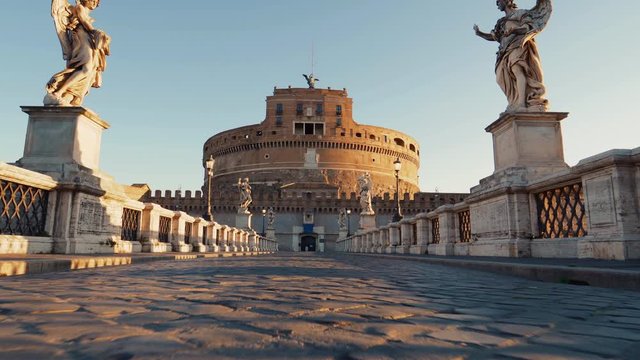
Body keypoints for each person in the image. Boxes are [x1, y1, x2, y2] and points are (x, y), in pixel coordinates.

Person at [474, 0, 552, 113]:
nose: (497, 5)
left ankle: (522, 104)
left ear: (507, 1)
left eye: (498, 2)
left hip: (518, 44)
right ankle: (514, 102)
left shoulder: (520, 13)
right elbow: (495, 37)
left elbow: (528, 28)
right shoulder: (501, 21)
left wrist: (515, 29)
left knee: (517, 70)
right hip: (504, 50)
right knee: (501, 77)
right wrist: (480, 33)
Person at [46, 0, 111, 106]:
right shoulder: (79, 8)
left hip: (88, 37)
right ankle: (58, 92)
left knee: (90, 71)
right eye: (92, 0)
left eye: (96, 1)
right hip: (80, 37)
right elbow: (84, 21)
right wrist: (95, 32)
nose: (95, 3)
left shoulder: (85, 11)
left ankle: (70, 96)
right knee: (87, 68)